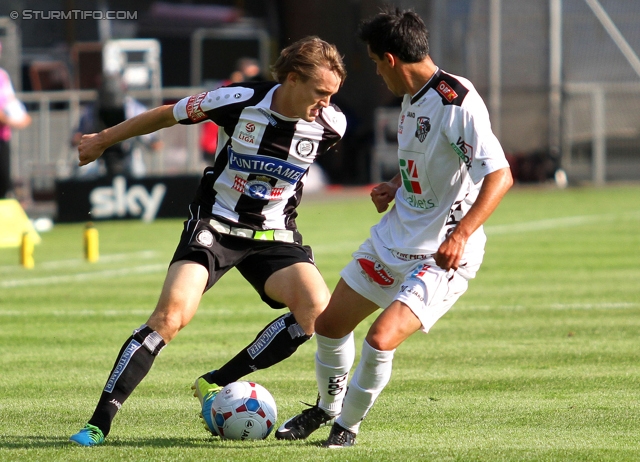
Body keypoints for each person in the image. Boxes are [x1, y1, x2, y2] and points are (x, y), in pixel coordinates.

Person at [69, 35, 347, 446]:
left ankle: (216, 381)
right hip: (215, 225)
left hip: (273, 234)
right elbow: (167, 115)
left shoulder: (330, 125)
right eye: (321, 92)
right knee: (170, 317)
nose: (327, 103)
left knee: (317, 311)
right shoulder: (238, 99)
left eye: (332, 94)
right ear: (291, 79)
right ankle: (98, 423)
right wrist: (102, 139)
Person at [275, 8, 513, 448]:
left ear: (389, 59)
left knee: (380, 338)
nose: (376, 74)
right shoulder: (412, 95)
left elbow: (499, 175)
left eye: (372, 62)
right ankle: (326, 407)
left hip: (441, 252)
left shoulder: (456, 102)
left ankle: (345, 427)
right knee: (328, 326)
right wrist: (394, 183)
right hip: (395, 236)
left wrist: (460, 236)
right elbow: (433, 161)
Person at [71, 72, 161, 178]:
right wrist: (82, 140)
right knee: (83, 170)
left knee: (138, 170)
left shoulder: (134, 110)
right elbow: (76, 138)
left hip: (127, 153)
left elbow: (155, 142)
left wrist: (149, 141)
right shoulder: (91, 111)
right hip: (100, 156)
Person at [0, 41, 31, 198]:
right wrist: (12, 121)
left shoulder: (2, 76)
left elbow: (10, 101)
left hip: (2, 136)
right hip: (4, 128)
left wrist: (21, 115)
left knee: (4, 181)